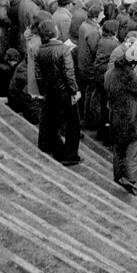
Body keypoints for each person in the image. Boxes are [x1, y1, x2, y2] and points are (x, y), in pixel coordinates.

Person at [34, 19, 81, 166]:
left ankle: (51, 146)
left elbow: (38, 75)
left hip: (50, 91)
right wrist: (74, 92)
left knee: (51, 121)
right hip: (65, 92)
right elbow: (69, 73)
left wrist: (43, 91)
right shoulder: (63, 49)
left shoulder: (39, 50)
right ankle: (70, 154)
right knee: (73, 124)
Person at [105, 43, 137, 194]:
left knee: (119, 151)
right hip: (131, 121)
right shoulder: (128, 75)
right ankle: (133, 184)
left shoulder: (111, 73)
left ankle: (119, 178)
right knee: (133, 155)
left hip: (115, 118)